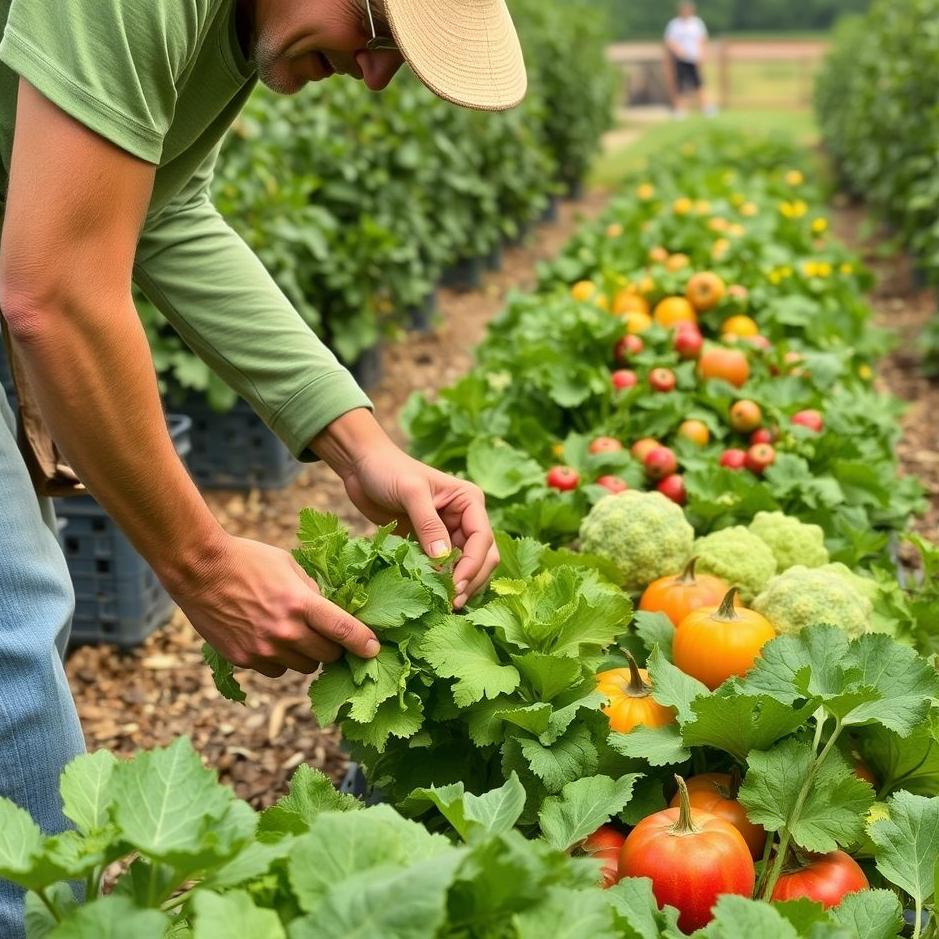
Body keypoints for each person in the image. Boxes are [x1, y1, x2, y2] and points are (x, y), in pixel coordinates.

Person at [0, 0, 526, 933]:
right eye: (377, 29)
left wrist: (361, 446)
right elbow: (57, 290)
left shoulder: (230, 31)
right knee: (14, 611)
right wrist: (200, 563)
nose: (372, 76)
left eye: (395, 59)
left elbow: (163, 214)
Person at [663, 1, 715, 117]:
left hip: (695, 59)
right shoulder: (674, 24)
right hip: (681, 59)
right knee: (680, 85)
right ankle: (680, 110)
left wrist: (702, 55)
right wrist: (680, 52)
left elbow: (702, 40)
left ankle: (706, 107)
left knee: (699, 84)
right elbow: (670, 41)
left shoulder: (697, 23)